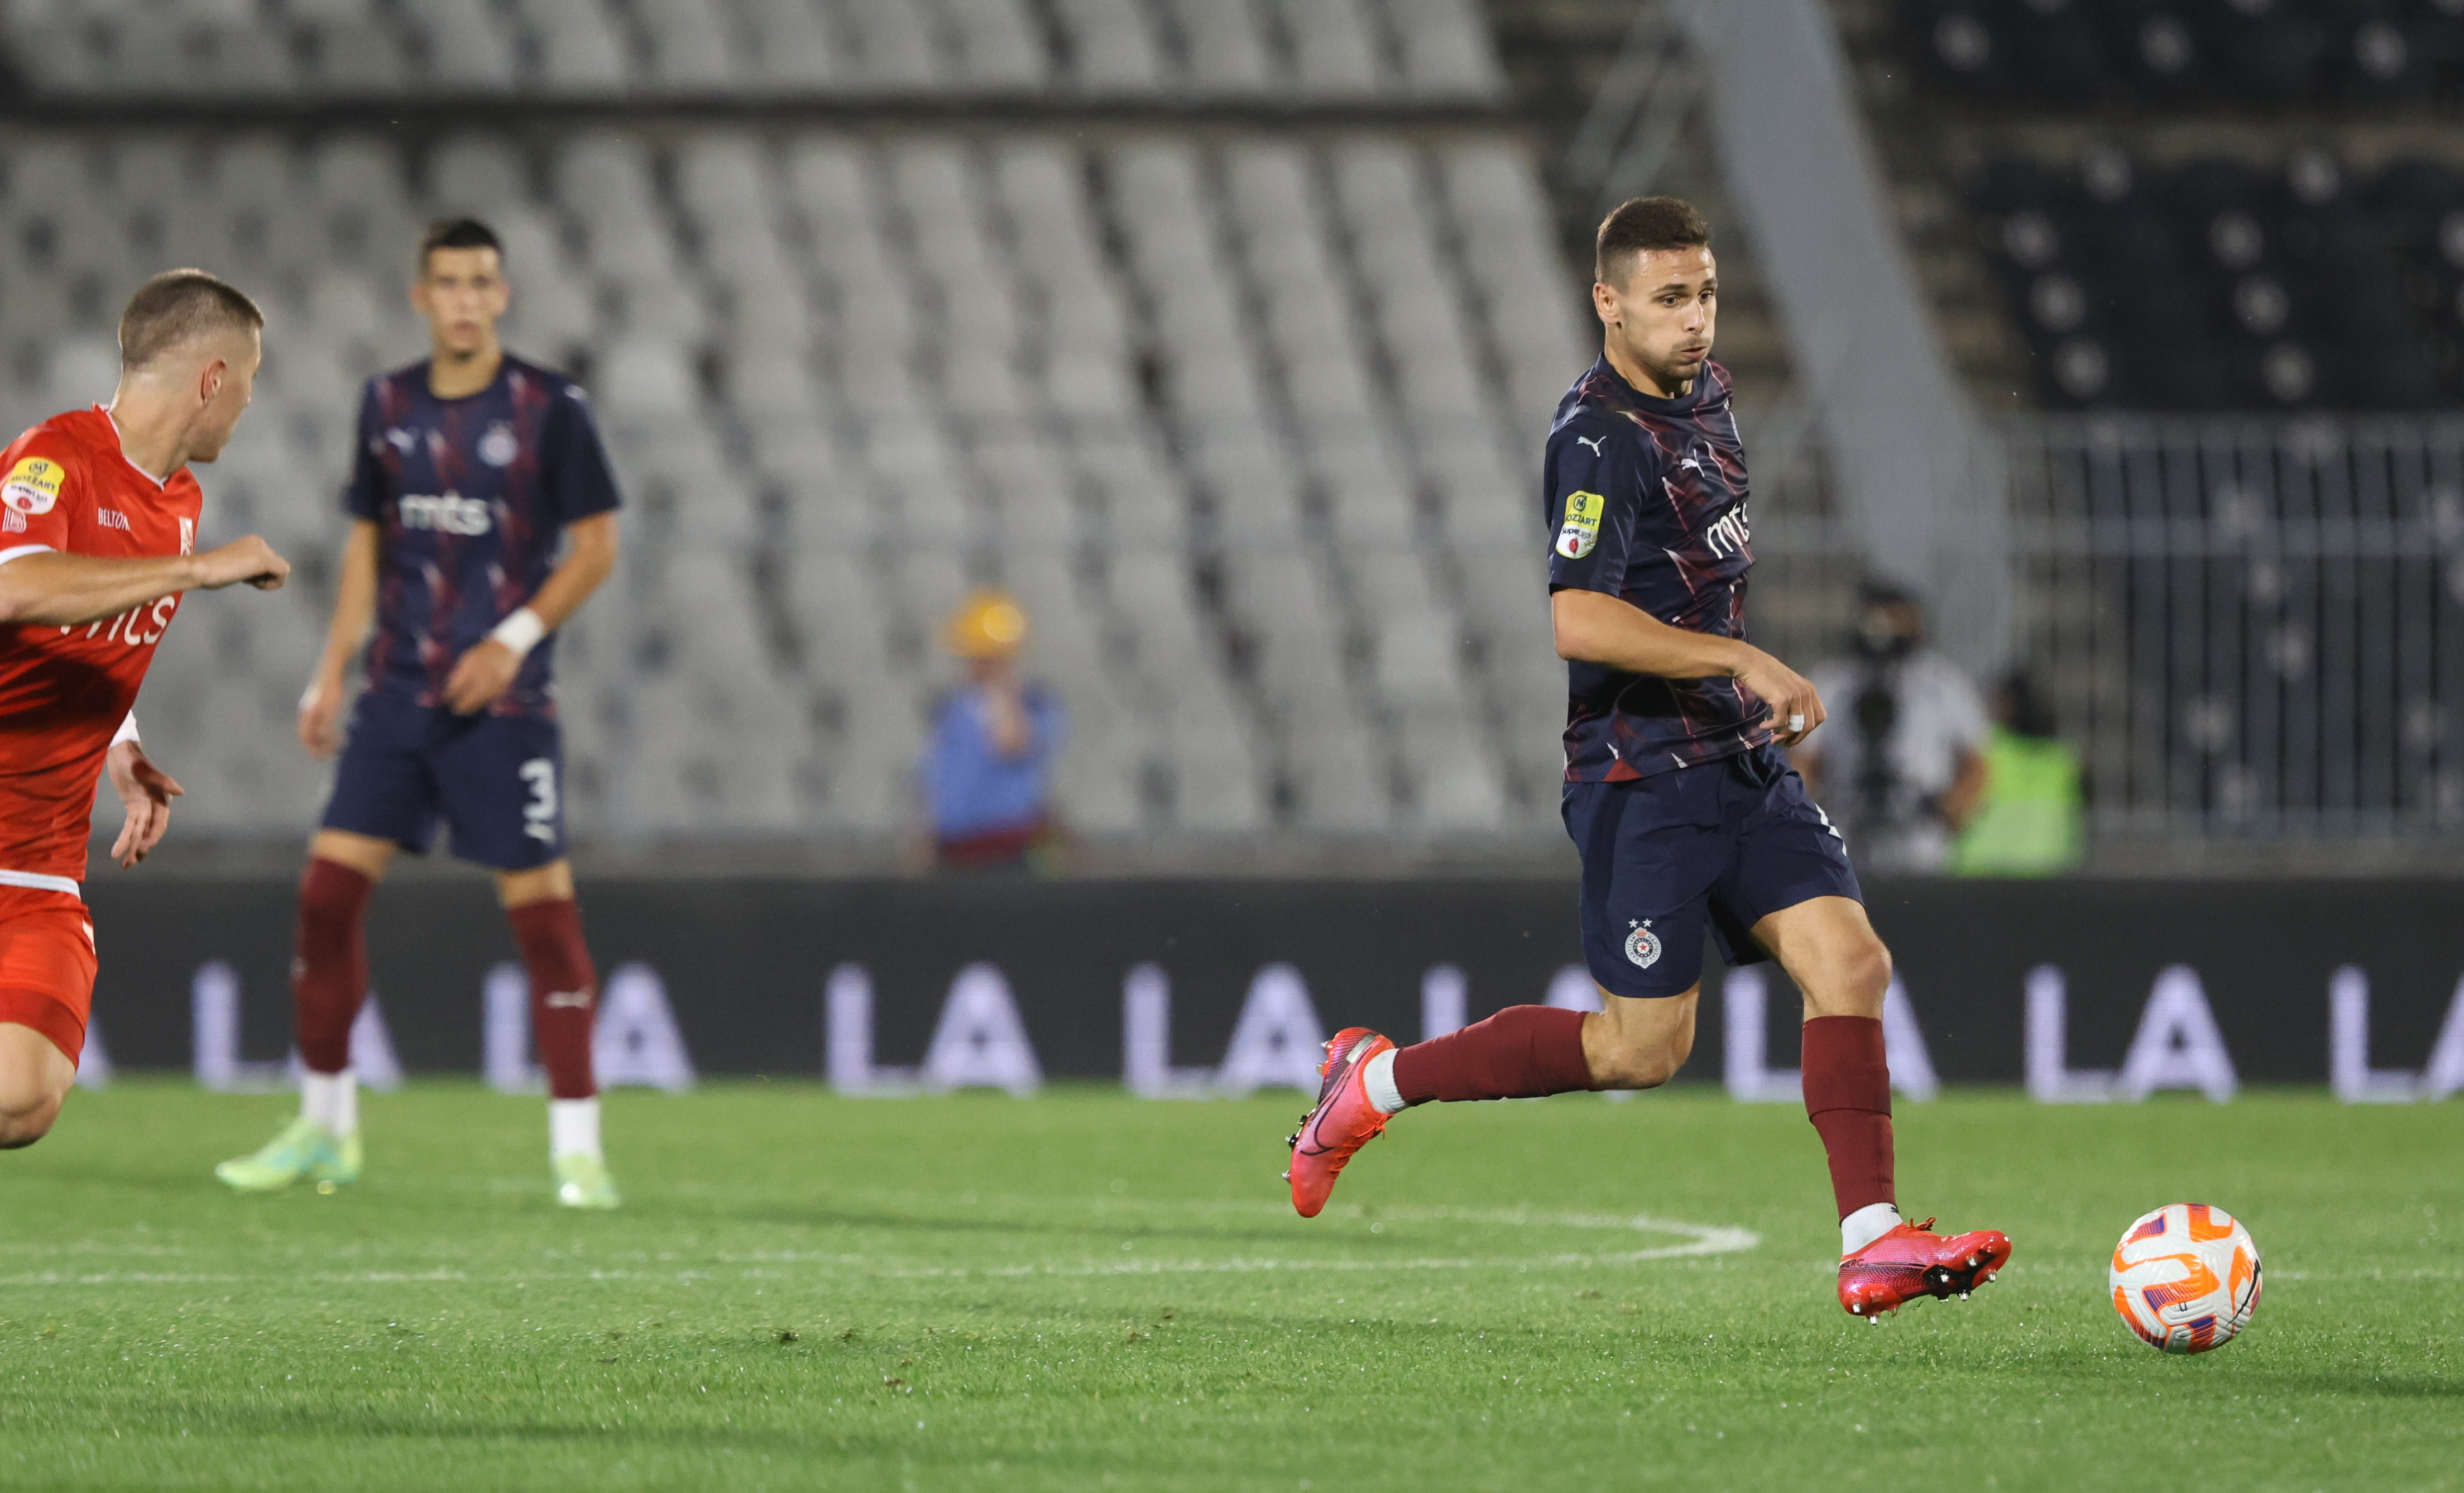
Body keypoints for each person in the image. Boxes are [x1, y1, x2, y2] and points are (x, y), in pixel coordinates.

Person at [1280, 197, 2012, 1319]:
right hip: (1640, 771)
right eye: (1669, 299)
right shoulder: (1597, 437)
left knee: (1849, 962)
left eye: (1706, 292)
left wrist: (1733, 683)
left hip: (1733, 758)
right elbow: (1577, 620)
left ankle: (1870, 1238)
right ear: (1606, 302)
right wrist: (1741, 656)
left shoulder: (1706, 395)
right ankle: (1369, 1083)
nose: (1696, 319)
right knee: (1638, 1049)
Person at [215, 219, 624, 1208]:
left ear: (503, 294)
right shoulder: (386, 404)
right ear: (420, 296)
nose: (465, 298)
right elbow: (365, 547)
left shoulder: (549, 407)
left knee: (543, 919)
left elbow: (596, 546)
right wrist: (330, 673)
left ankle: (578, 1144)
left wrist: (511, 639)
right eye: (447, 281)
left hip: (506, 700)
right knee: (324, 896)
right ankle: (325, 1126)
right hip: (397, 693)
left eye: (482, 280)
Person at [0, 270, 292, 1148]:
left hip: (38, 854)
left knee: (24, 1100)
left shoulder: (181, 505)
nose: (246, 404)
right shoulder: (54, 458)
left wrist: (123, 747)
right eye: (247, 380)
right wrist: (195, 573)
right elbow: (15, 589)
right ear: (212, 378)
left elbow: (89, 630)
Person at [1795, 583, 1990, 874]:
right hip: (1846, 840)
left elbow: (1977, 764)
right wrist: (1810, 820)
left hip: (1921, 844)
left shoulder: (1943, 684)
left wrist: (1950, 811)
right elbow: (1803, 764)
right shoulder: (1833, 683)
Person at [920, 588, 1066, 872]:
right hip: (953, 850)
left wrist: (1002, 690)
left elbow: (1012, 746)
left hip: (1003, 851)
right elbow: (939, 780)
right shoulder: (955, 707)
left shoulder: (1035, 705)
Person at [1948, 671, 2084, 876]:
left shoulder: (1987, 750)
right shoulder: (2065, 760)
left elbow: (1954, 813)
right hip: (2049, 873)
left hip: (1981, 875)